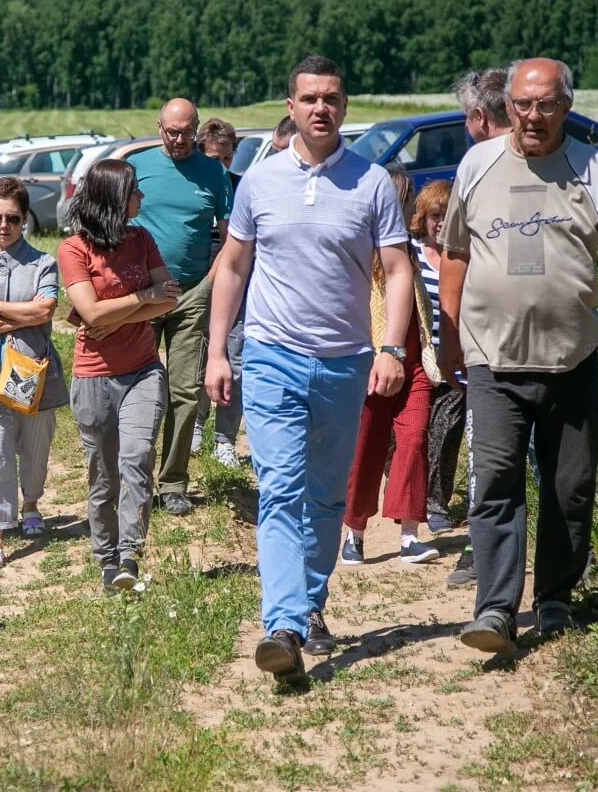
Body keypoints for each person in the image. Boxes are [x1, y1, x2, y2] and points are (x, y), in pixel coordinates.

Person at [438, 58, 598, 653]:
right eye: (521, 104)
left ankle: (556, 598)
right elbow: (455, 253)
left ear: (566, 105)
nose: (531, 116)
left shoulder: (595, 170)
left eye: (544, 105)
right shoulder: (477, 165)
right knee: (495, 485)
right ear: (505, 104)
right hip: (494, 356)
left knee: (570, 487)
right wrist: (448, 332)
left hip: (570, 356)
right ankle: (494, 610)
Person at [206, 55, 412, 680]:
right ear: (290, 107)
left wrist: (393, 348)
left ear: (344, 108)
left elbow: (398, 270)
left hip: (347, 362)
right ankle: (284, 626)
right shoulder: (258, 182)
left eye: (331, 98)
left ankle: (310, 604)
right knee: (280, 491)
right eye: (308, 98)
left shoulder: (372, 182)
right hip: (272, 358)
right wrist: (218, 350)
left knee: (326, 497)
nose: (320, 108)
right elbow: (234, 268)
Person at [60, 159, 180, 592]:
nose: (142, 199)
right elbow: (88, 312)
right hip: (93, 377)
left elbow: (169, 300)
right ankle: (106, 559)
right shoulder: (73, 249)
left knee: (136, 459)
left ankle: (130, 555)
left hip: (143, 371)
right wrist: (140, 298)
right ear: (114, 198)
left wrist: (120, 311)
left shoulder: (142, 238)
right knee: (103, 475)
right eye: (134, 192)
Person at [127, 98, 233, 515]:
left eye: (185, 132)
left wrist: (209, 284)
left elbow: (229, 238)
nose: (177, 140)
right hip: (142, 294)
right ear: (159, 128)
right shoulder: (139, 166)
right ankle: (133, 478)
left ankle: (173, 482)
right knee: (134, 387)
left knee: (185, 390)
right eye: (170, 132)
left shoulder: (214, 173)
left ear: (197, 129)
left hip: (191, 293)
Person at [0, 177, 68, 572]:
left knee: (35, 449)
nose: (4, 226)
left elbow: (44, 312)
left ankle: (32, 504)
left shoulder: (44, 263)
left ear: (25, 219)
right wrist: (15, 316)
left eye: (13, 218)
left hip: (32, 373)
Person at [340, 166, 441, 568]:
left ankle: (409, 535)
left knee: (414, 441)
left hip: (414, 366)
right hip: (373, 365)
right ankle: (355, 533)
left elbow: (423, 306)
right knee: (365, 449)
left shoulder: (412, 252)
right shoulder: (364, 255)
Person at [443, 66, 514, 589]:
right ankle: (491, 554)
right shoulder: (484, 166)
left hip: (495, 341)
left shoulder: (477, 165)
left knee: (489, 457)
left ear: (476, 116)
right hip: (506, 341)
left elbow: (454, 258)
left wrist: (450, 335)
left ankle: (482, 554)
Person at [409, 179, 467, 546]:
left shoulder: (464, 256)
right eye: (435, 216)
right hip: (416, 359)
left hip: (454, 363)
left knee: (446, 431)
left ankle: (436, 503)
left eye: (448, 216)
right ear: (423, 218)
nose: (442, 223)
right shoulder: (411, 254)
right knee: (413, 435)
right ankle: (409, 493)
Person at [191, 117, 245, 468]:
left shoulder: (243, 187)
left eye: (227, 159)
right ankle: (196, 424)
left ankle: (225, 438)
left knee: (234, 357)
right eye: (213, 159)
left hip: (236, 282)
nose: (221, 166)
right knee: (195, 354)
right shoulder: (191, 185)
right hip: (197, 280)